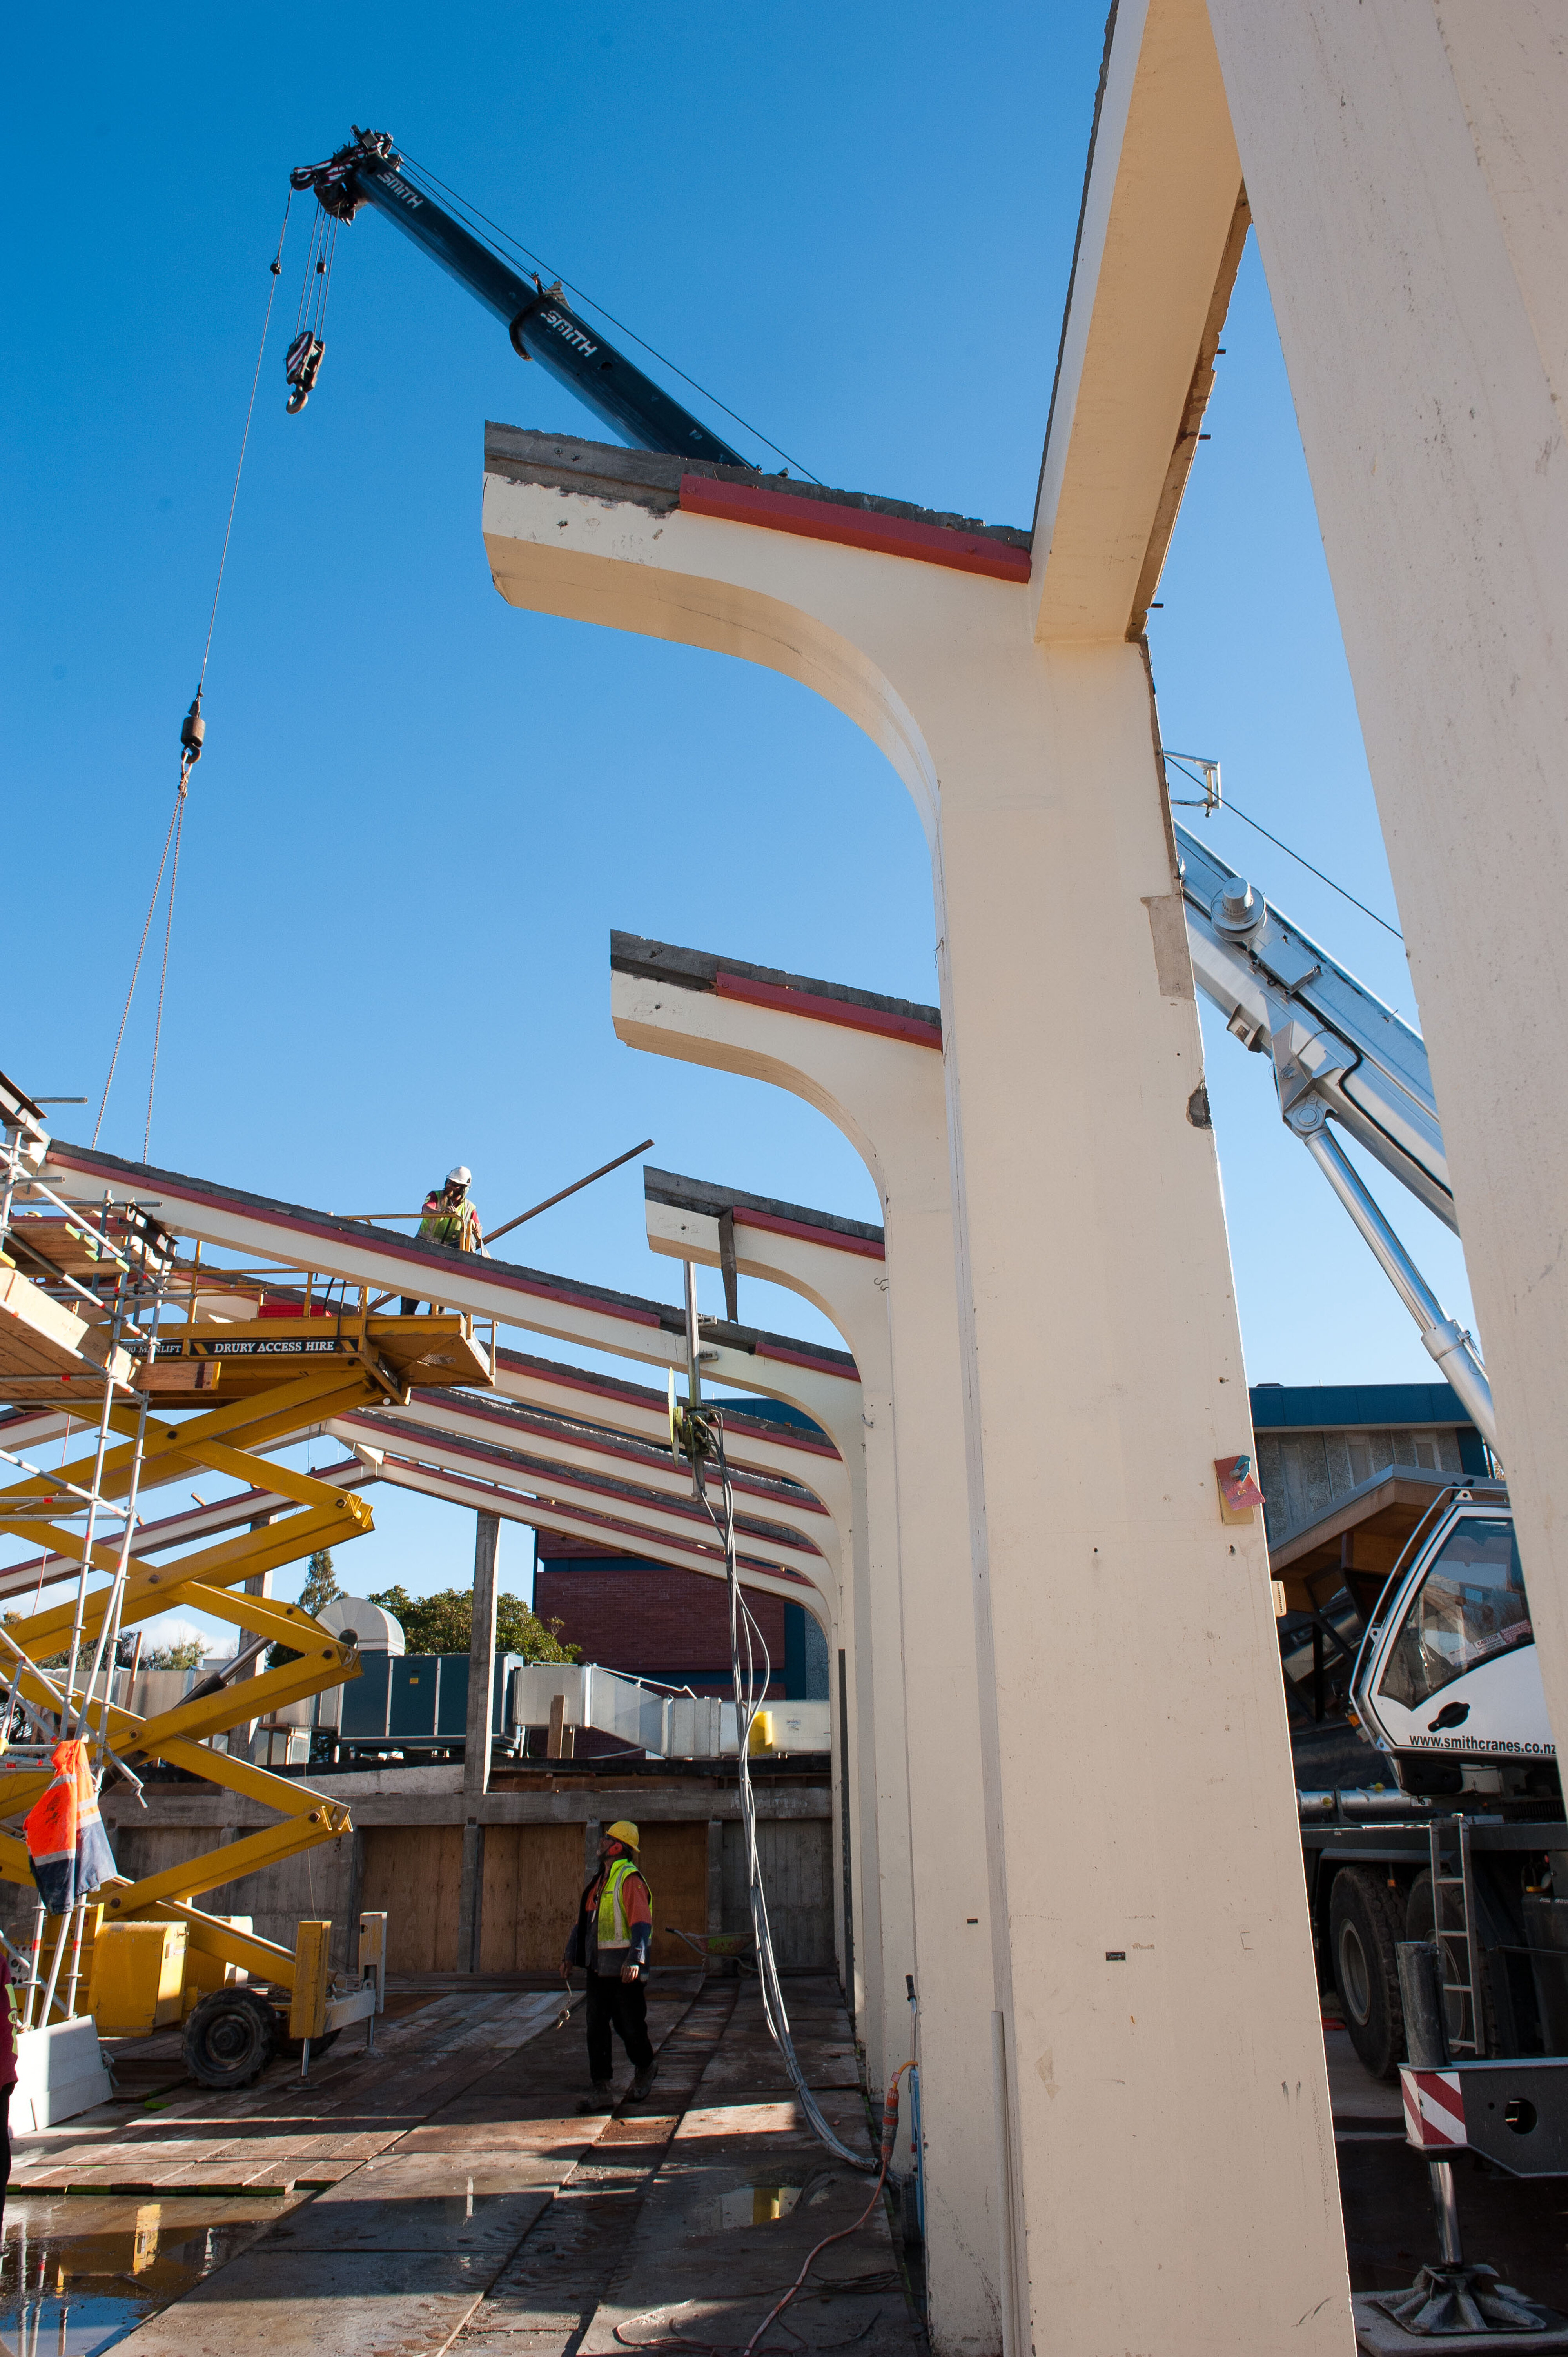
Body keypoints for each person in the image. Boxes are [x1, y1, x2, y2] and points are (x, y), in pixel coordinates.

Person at [562, 1820, 657, 2113]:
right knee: (596, 2029)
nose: (600, 1842)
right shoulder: (598, 1883)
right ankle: (601, 2089)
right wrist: (570, 1955)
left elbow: (641, 1923)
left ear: (617, 1846)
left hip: (624, 1971)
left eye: (606, 1838)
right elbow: (584, 1924)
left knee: (629, 2026)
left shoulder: (630, 1879)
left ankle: (645, 2066)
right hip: (598, 1970)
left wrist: (636, 1960)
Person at [400, 1166, 485, 1316]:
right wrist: (440, 1213)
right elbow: (426, 1209)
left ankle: (437, 1319)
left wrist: (477, 1229)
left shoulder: (470, 1208)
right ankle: (405, 1318)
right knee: (412, 1288)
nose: (449, 1186)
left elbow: (477, 1226)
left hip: (448, 1253)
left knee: (441, 1291)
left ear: (464, 1188)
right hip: (424, 1245)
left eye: (454, 1184)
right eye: (448, 1182)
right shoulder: (436, 1196)